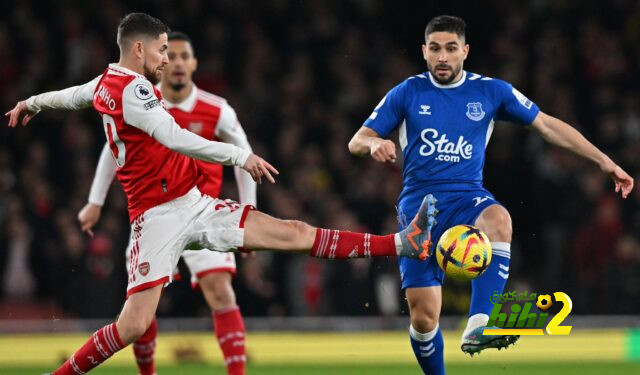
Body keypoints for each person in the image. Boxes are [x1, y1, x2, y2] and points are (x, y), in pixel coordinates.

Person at [6, 13, 437, 375]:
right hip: (156, 217)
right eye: (160, 50)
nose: (165, 59)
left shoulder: (106, 83)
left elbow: (72, 96)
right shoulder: (135, 89)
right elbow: (173, 136)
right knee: (133, 325)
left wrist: (32, 102)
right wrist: (238, 156)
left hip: (195, 203)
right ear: (138, 50)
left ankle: (402, 242)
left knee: (293, 232)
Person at [348, 15, 633, 375]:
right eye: (435, 48)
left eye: (451, 48)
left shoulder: (490, 91)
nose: (443, 57)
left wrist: (604, 161)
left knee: (499, 220)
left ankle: (479, 324)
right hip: (419, 211)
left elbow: (546, 125)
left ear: (465, 51)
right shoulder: (407, 92)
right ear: (424, 51)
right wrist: (374, 143)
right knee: (423, 319)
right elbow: (355, 141)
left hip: (468, 198)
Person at [77, 31, 256, 375]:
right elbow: (110, 148)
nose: (176, 63)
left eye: (183, 56)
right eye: (169, 56)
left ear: (194, 63)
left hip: (204, 212)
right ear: (159, 61)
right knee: (141, 313)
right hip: (155, 215)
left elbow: (244, 156)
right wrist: (94, 201)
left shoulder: (217, 109)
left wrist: (248, 210)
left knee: (220, 291)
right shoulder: (143, 100)